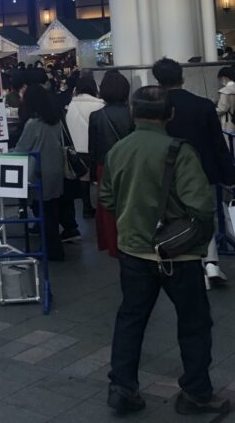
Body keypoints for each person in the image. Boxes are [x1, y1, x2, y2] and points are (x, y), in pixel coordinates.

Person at [99, 86, 228, 416]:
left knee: (131, 319)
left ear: (132, 112)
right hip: (179, 256)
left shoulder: (119, 150)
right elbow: (200, 207)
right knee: (194, 323)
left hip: (134, 253)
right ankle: (196, 393)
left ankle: (123, 389)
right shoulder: (179, 151)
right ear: (170, 114)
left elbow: (108, 201)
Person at [153, 57, 235, 286]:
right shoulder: (203, 105)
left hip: (168, 173)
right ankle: (211, 263)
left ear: (158, 80)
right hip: (203, 170)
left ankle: (188, 262)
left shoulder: (156, 109)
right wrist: (229, 175)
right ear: (182, 77)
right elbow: (218, 144)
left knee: (176, 217)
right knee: (205, 213)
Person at [12, 83, 66, 260]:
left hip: (38, 173)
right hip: (56, 170)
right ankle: (55, 247)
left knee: (41, 212)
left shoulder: (33, 123)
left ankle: (50, 249)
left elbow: (21, 149)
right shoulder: (56, 120)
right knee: (52, 210)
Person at [88, 70, 135, 257]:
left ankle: (113, 244)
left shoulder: (96, 116)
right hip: (131, 163)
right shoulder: (133, 114)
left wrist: (92, 173)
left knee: (108, 206)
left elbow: (93, 147)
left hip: (104, 165)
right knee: (131, 201)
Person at [64, 73, 104, 221]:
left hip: (77, 148)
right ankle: (101, 209)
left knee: (83, 178)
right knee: (100, 180)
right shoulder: (100, 105)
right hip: (95, 149)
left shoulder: (71, 106)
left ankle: (86, 207)